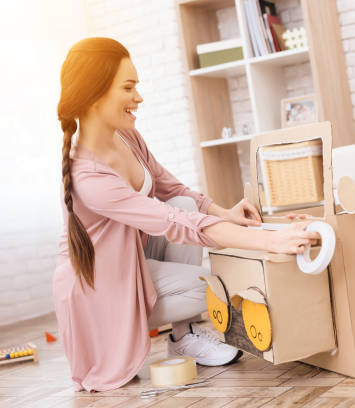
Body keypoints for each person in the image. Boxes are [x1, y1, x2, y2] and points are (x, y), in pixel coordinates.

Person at [53, 37, 319, 392]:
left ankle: (184, 335)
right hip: (100, 289)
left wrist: (226, 212)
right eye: (128, 87)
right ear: (95, 94)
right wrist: (269, 241)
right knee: (216, 288)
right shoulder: (88, 175)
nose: (139, 98)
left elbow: (173, 192)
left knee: (185, 205)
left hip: (129, 260)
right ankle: (172, 328)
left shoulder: (128, 137)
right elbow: (174, 225)